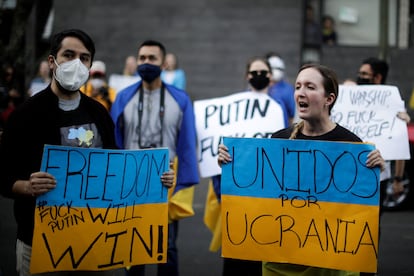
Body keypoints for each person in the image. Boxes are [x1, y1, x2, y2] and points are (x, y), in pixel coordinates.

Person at [0, 29, 174, 276]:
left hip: (92, 244)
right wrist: (27, 186)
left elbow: (114, 170)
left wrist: (157, 179)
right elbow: (4, 178)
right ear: (52, 61)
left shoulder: (100, 113)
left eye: (83, 58)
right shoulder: (25, 115)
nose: (76, 63)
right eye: (68, 55)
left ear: (90, 64)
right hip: (39, 244)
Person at [217, 63, 385, 276]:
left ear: (329, 99)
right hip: (281, 264)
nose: (300, 93)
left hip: (328, 265)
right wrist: (232, 163)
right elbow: (262, 195)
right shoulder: (279, 140)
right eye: (297, 86)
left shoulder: (350, 145)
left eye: (310, 87)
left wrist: (375, 171)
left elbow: (360, 211)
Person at [111, 40, 199, 276]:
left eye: (152, 58)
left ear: (164, 62)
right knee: (132, 248)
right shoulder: (122, 98)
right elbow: (113, 141)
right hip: (131, 183)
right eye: (142, 58)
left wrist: (182, 182)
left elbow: (188, 145)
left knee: (167, 248)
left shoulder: (180, 99)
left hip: (165, 183)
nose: (146, 63)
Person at [204, 56, 286, 276]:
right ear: (247, 76)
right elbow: (217, 149)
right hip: (237, 193)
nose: (258, 76)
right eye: (254, 72)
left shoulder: (279, 108)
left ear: (270, 77)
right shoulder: (231, 109)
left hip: (267, 194)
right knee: (236, 254)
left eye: (263, 72)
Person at [356, 57, 410, 210]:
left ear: (377, 77)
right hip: (350, 173)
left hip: (378, 176)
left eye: (364, 74)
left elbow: (399, 146)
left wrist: (398, 179)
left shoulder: (393, 104)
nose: (360, 77)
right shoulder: (349, 97)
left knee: (372, 223)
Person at [266, 53, 296, 125]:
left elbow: (292, 115)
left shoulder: (288, 89)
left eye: (278, 68)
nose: (275, 71)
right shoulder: (259, 86)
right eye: (273, 68)